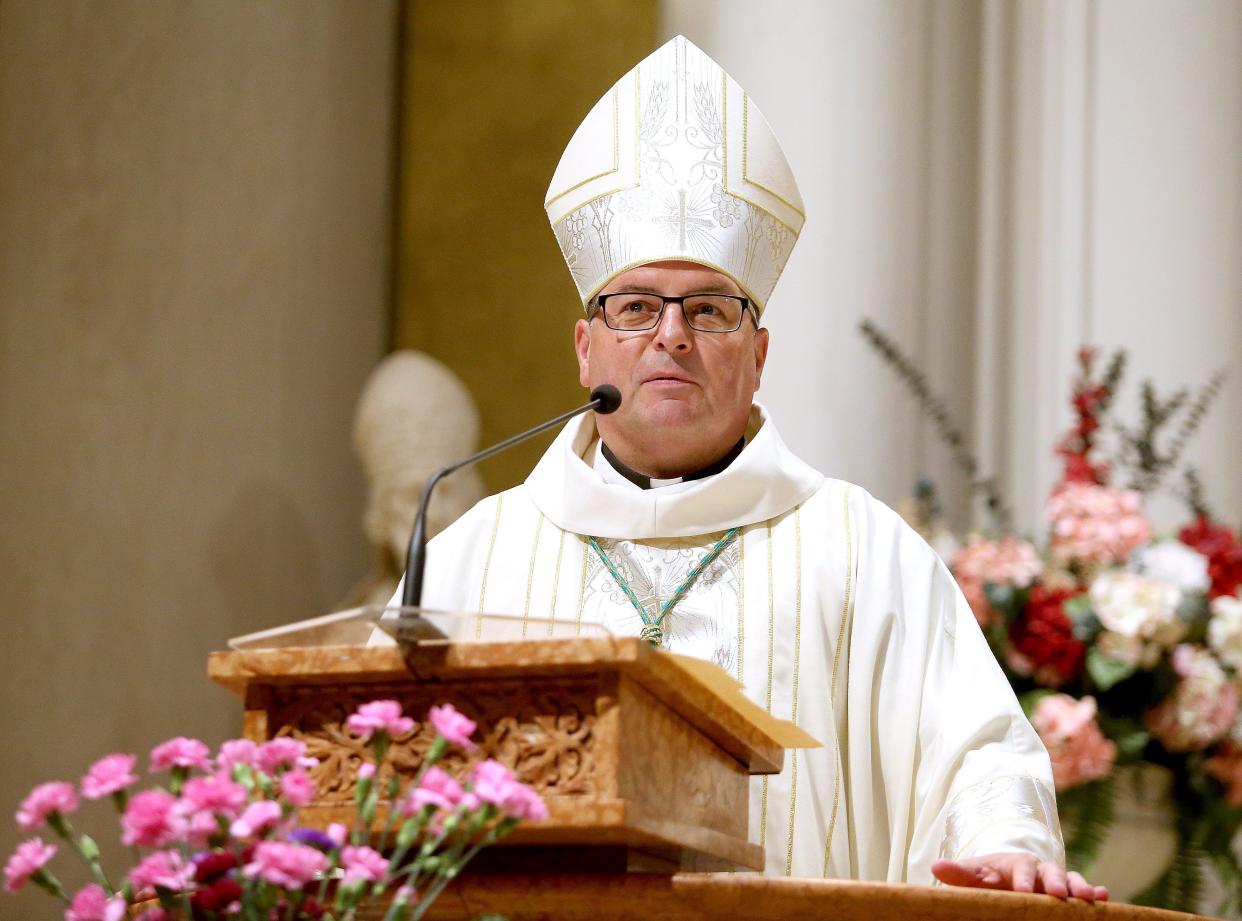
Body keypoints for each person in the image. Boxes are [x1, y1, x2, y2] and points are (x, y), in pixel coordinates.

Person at [383, 36, 1107, 901]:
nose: (673, 335)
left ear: (758, 354)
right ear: (587, 348)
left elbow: (978, 749)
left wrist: (1005, 843)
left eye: (711, 309)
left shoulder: (863, 550)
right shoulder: (474, 557)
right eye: (637, 305)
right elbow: (364, 766)